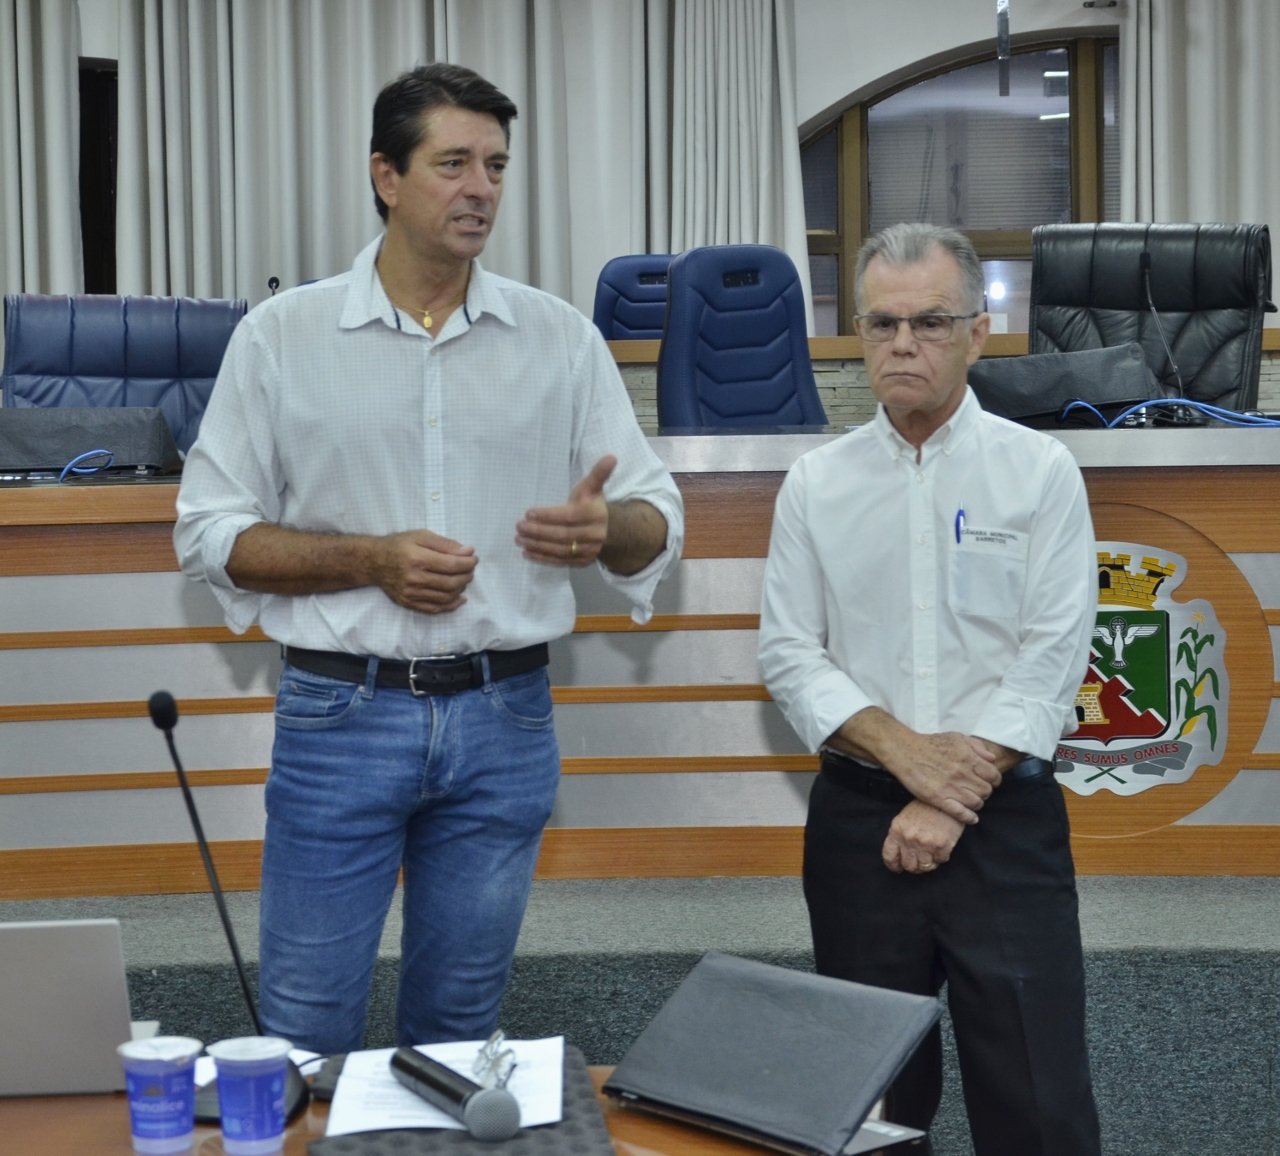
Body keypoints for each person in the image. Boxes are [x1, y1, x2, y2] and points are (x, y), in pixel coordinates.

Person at [174, 62, 683, 1057]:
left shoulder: (559, 339)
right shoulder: (283, 338)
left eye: (495, 165)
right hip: (340, 715)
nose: (480, 188)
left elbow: (656, 519)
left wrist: (607, 531)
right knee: (304, 1032)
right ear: (386, 176)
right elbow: (209, 534)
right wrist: (369, 558)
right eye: (452, 164)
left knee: (456, 1037)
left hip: (506, 718)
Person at [758, 223, 1101, 1155]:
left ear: (978, 333)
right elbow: (788, 653)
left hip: (1006, 828)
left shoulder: (1040, 472)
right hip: (859, 829)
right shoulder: (816, 482)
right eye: (883, 324)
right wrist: (910, 758)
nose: (903, 344)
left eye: (931, 323)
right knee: (871, 1111)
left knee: (1038, 1101)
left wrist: (950, 794)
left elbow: (1053, 652)